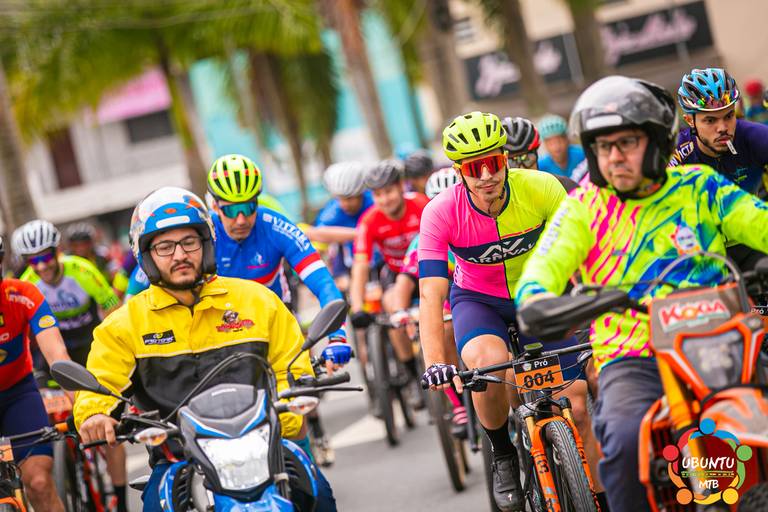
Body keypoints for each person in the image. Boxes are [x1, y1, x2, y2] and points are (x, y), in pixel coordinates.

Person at [514, 75, 768, 512]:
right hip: (633, 356)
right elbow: (539, 274)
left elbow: (757, 220)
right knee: (624, 439)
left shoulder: (699, 187)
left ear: (657, 140)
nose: (614, 156)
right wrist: (538, 300)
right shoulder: (582, 209)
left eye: (627, 142)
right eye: (603, 146)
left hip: (720, 339)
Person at [72, 187, 338, 511]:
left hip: (263, 448)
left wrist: (291, 405)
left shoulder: (258, 301)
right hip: (177, 459)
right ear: (145, 255)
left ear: (207, 245)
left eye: (189, 242)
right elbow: (100, 381)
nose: (179, 255)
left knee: (319, 495)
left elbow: (291, 366)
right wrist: (95, 414)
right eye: (165, 247)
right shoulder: (123, 324)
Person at [418, 111, 601, 511]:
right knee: (487, 366)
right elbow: (431, 294)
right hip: (479, 302)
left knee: (578, 406)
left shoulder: (542, 187)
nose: (487, 175)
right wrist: (434, 361)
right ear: (459, 172)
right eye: (474, 168)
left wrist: (597, 310)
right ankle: (502, 453)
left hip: (540, 297)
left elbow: (586, 251)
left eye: (493, 162)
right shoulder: (440, 212)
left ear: (505, 158)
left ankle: (599, 497)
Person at [12, 219, 128, 511]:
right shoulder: (28, 283)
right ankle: (67, 464)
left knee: (110, 429)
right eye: (33, 260)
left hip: (88, 348)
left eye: (46, 257)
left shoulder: (82, 270)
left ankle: (121, 500)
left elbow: (113, 310)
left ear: (57, 251)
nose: (41, 266)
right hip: (51, 352)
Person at [393, 168, 467, 434]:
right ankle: (458, 403)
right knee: (443, 327)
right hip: (445, 300)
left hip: (473, 297)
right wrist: (400, 310)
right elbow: (405, 280)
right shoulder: (422, 239)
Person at [671, 67, 768, 270]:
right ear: (690, 121)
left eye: (728, 116)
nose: (723, 127)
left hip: (753, 242)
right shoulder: (677, 152)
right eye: (710, 120)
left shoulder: (753, 136)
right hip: (703, 253)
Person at [0, 236, 71, 512]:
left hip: (18, 394)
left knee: (39, 482)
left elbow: (56, 353)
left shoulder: (22, 294)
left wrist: (84, 405)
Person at [348, 159, 429, 402]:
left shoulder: (421, 204)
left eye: (389, 192)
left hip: (428, 268)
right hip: (395, 273)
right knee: (393, 309)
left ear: (401, 187)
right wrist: (357, 307)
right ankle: (413, 375)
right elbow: (360, 266)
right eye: (378, 195)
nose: (385, 200)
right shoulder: (369, 220)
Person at [306, 161, 374, 290]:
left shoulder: (374, 202)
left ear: (361, 193)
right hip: (352, 263)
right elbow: (314, 233)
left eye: (349, 198)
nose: (344, 204)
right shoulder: (333, 210)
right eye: (340, 198)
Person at [501, 115, 579, 192]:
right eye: (512, 161)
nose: (522, 168)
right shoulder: (496, 196)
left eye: (527, 158)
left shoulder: (565, 185)